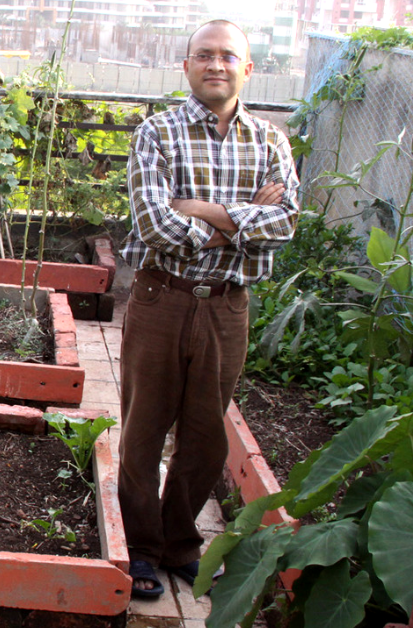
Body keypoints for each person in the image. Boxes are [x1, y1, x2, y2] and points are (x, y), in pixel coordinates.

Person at [118, 19, 299, 599]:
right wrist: (243, 216)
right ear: (187, 65)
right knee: (143, 431)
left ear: (247, 68)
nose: (214, 65)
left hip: (227, 307)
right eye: (203, 55)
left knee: (204, 438)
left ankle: (180, 546)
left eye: (227, 56)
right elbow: (153, 223)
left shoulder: (271, 141)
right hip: (160, 298)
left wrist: (202, 210)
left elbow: (286, 222)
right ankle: (142, 550)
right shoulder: (156, 134)